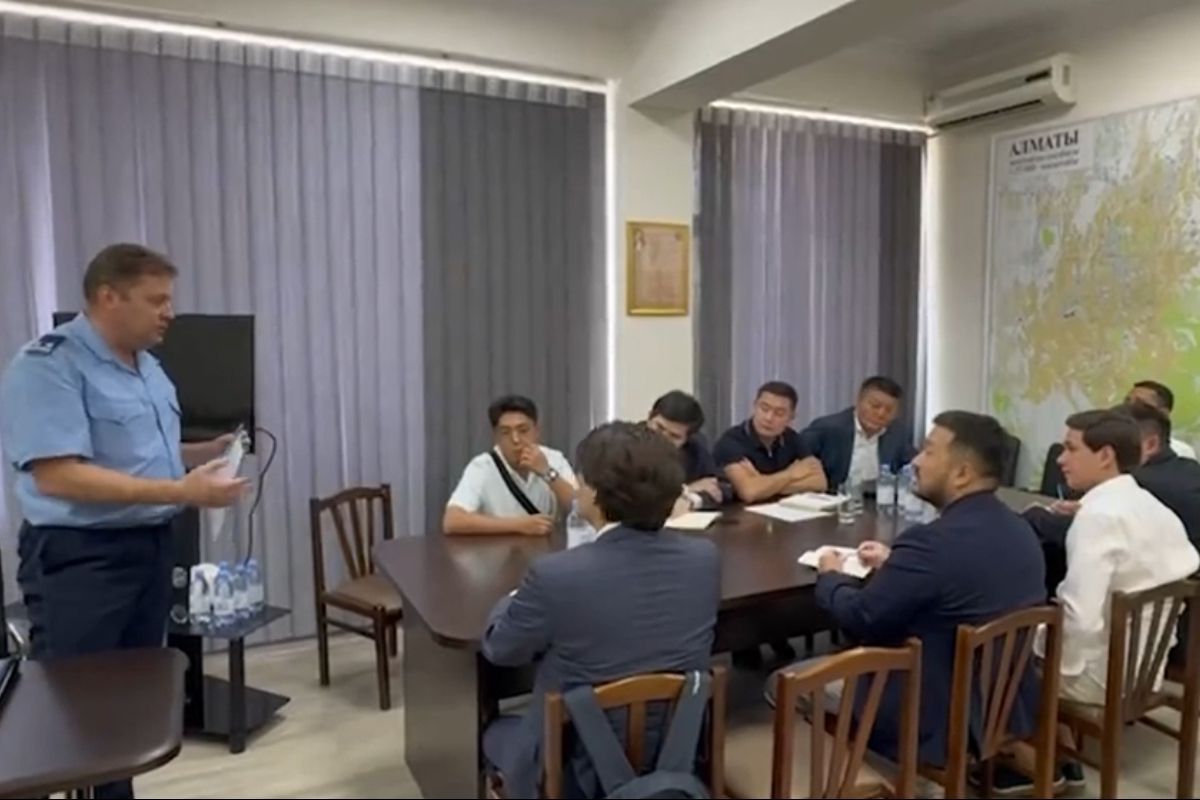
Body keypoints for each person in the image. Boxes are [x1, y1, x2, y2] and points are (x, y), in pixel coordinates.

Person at [0, 243, 249, 800]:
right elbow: (60, 475)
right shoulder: (49, 366)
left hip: (149, 548)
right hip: (82, 561)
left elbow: (140, 455)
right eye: (156, 300)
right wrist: (183, 491)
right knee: (76, 711)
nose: (170, 313)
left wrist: (204, 452)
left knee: (127, 708)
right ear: (109, 297)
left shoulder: (148, 366)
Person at [768, 411, 1046, 784]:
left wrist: (831, 575)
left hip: (927, 714)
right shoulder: (1020, 530)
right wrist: (896, 563)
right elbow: (961, 578)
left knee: (782, 683)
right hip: (999, 704)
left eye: (928, 451)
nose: (915, 461)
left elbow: (861, 618)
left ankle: (873, 782)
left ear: (962, 473)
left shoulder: (931, 544)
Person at [479, 421, 721, 799]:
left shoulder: (556, 575)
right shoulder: (704, 558)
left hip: (573, 772)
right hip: (674, 758)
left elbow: (502, 649)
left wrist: (511, 598)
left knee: (492, 732)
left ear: (593, 492)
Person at [1040, 408, 1199, 706]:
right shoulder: (1153, 506)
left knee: (1003, 655)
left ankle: (1043, 732)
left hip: (1105, 680)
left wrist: (1054, 662)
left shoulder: (1097, 519)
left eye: (1071, 449)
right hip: (1149, 670)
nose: (1060, 459)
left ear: (1105, 456)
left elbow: (1081, 620)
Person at [442, 395, 576, 536]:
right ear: (496, 437)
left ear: (537, 431)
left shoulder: (554, 459)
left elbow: (582, 508)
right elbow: (452, 521)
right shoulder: (482, 467)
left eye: (523, 430)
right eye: (505, 432)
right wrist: (519, 525)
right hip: (497, 548)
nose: (516, 440)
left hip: (548, 547)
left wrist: (547, 472)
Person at [713, 380, 827, 503]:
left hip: (783, 510)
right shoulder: (732, 441)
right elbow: (749, 492)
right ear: (754, 406)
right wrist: (791, 474)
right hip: (740, 513)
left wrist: (762, 482)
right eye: (764, 409)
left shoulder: (792, 438)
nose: (769, 418)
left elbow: (820, 483)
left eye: (779, 413)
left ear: (791, 417)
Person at [798, 375, 916, 489]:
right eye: (875, 406)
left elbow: (912, 468)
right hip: (833, 496)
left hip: (878, 498)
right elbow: (797, 458)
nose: (881, 414)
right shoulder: (827, 428)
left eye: (889, 410)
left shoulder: (899, 434)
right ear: (858, 401)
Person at [647, 389, 731, 510]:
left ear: (687, 439)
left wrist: (693, 500)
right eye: (659, 428)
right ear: (649, 417)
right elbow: (635, 498)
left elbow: (722, 488)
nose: (662, 438)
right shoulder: (627, 443)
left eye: (674, 436)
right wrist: (686, 490)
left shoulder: (694, 450)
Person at [1126, 379, 1196, 459]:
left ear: (1163, 413)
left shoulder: (1181, 451)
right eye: (1127, 401)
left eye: (1140, 403)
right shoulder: (1115, 444)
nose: (1128, 407)